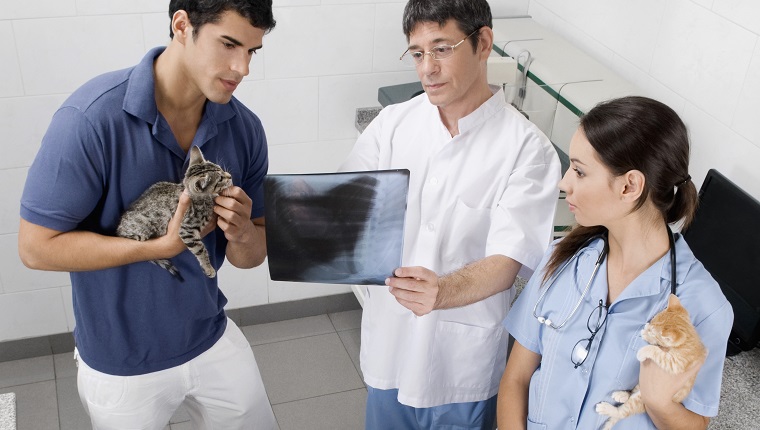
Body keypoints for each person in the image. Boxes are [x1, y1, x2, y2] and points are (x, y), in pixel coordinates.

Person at [18, 1, 277, 428]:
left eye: (252, 51)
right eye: (229, 44)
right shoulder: (90, 119)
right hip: (121, 362)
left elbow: (252, 257)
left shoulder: (244, 128)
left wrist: (245, 232)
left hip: (208, 335)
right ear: (181, 25)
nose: (242, 68)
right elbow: (35, 248)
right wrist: (159, 248)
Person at [339, 0, 561, 428]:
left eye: (442, 49)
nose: (428, 68)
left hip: (461, 366)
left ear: (483, 43)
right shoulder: (392, 125)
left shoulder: (526, 149)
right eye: (417, 53)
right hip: (389, 347)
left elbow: (507, 262)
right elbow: (347, 210)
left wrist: (442, 291)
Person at [497, 96, 734, 429]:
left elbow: (694, 424)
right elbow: (517, 378)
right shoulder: (562, 258)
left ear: (629, 185)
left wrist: (659, 403)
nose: (564, 183)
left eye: (579, 171)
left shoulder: (704, 307)